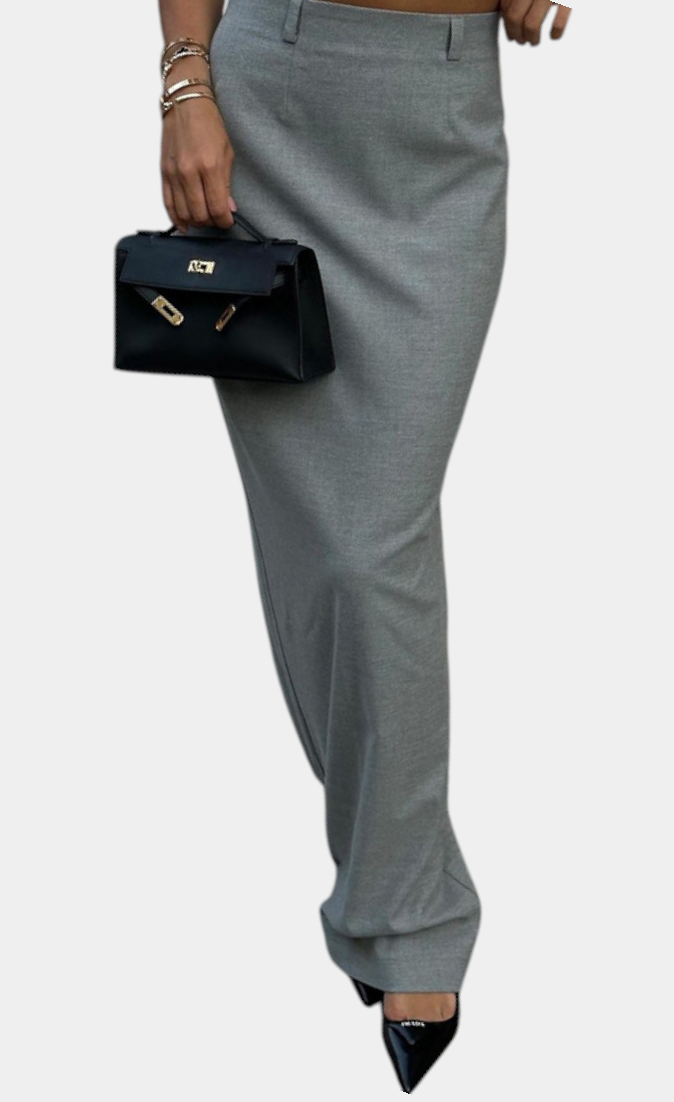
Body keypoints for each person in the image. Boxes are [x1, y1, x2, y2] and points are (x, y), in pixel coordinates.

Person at [157, 0, 571, 1090]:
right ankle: (410, 916)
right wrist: (185, 78)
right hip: (270, 110)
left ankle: (385, 890)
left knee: (366, 545)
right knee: (330, 550)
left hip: (442, 118)